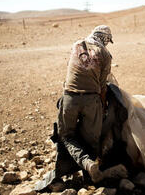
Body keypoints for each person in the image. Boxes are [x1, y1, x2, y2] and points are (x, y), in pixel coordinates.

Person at [57, 25, 113, 182]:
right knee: (91, 140)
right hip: (92, 100)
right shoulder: (105, 54)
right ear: (105, 39)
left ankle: (84, 165)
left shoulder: (77, 45)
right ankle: (90, 174)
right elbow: (102, 86)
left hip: (70, 98)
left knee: (67, 136)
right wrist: (102, 108)